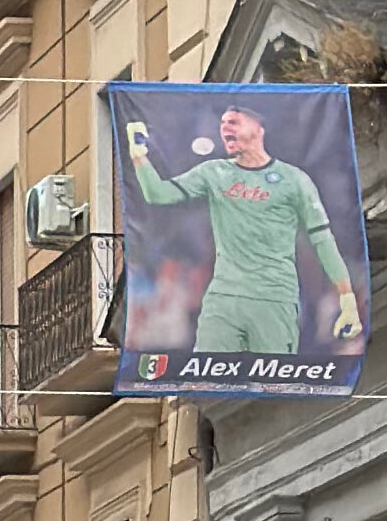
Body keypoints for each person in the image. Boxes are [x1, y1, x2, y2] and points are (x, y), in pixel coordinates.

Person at [121, 99, 363, 366]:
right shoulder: (214, 172)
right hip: (223, 300)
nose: (225, 128)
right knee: (207, 376)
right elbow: (158, 194)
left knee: (272, 383)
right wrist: (139, 156)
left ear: (259, 128)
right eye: (223, 124)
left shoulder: (294, 180)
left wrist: (347, 297)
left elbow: (322, 240)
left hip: (273, 299)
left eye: (233, 122)